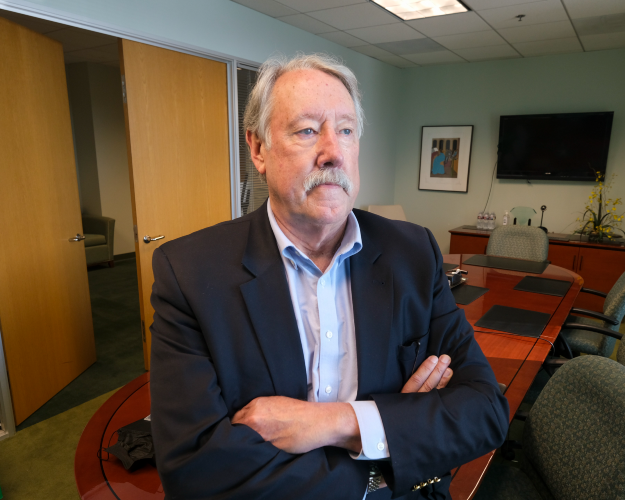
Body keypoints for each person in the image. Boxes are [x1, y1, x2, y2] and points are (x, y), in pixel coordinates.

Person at [149, 53, 509, 499]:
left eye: (346, 130)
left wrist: (335, 422)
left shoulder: (413, 253)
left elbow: (485, 411)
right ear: (258, 150)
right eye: (306, 130)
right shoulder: (190, 272)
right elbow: (194, 469)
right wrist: (385, 458)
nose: (333, 152)